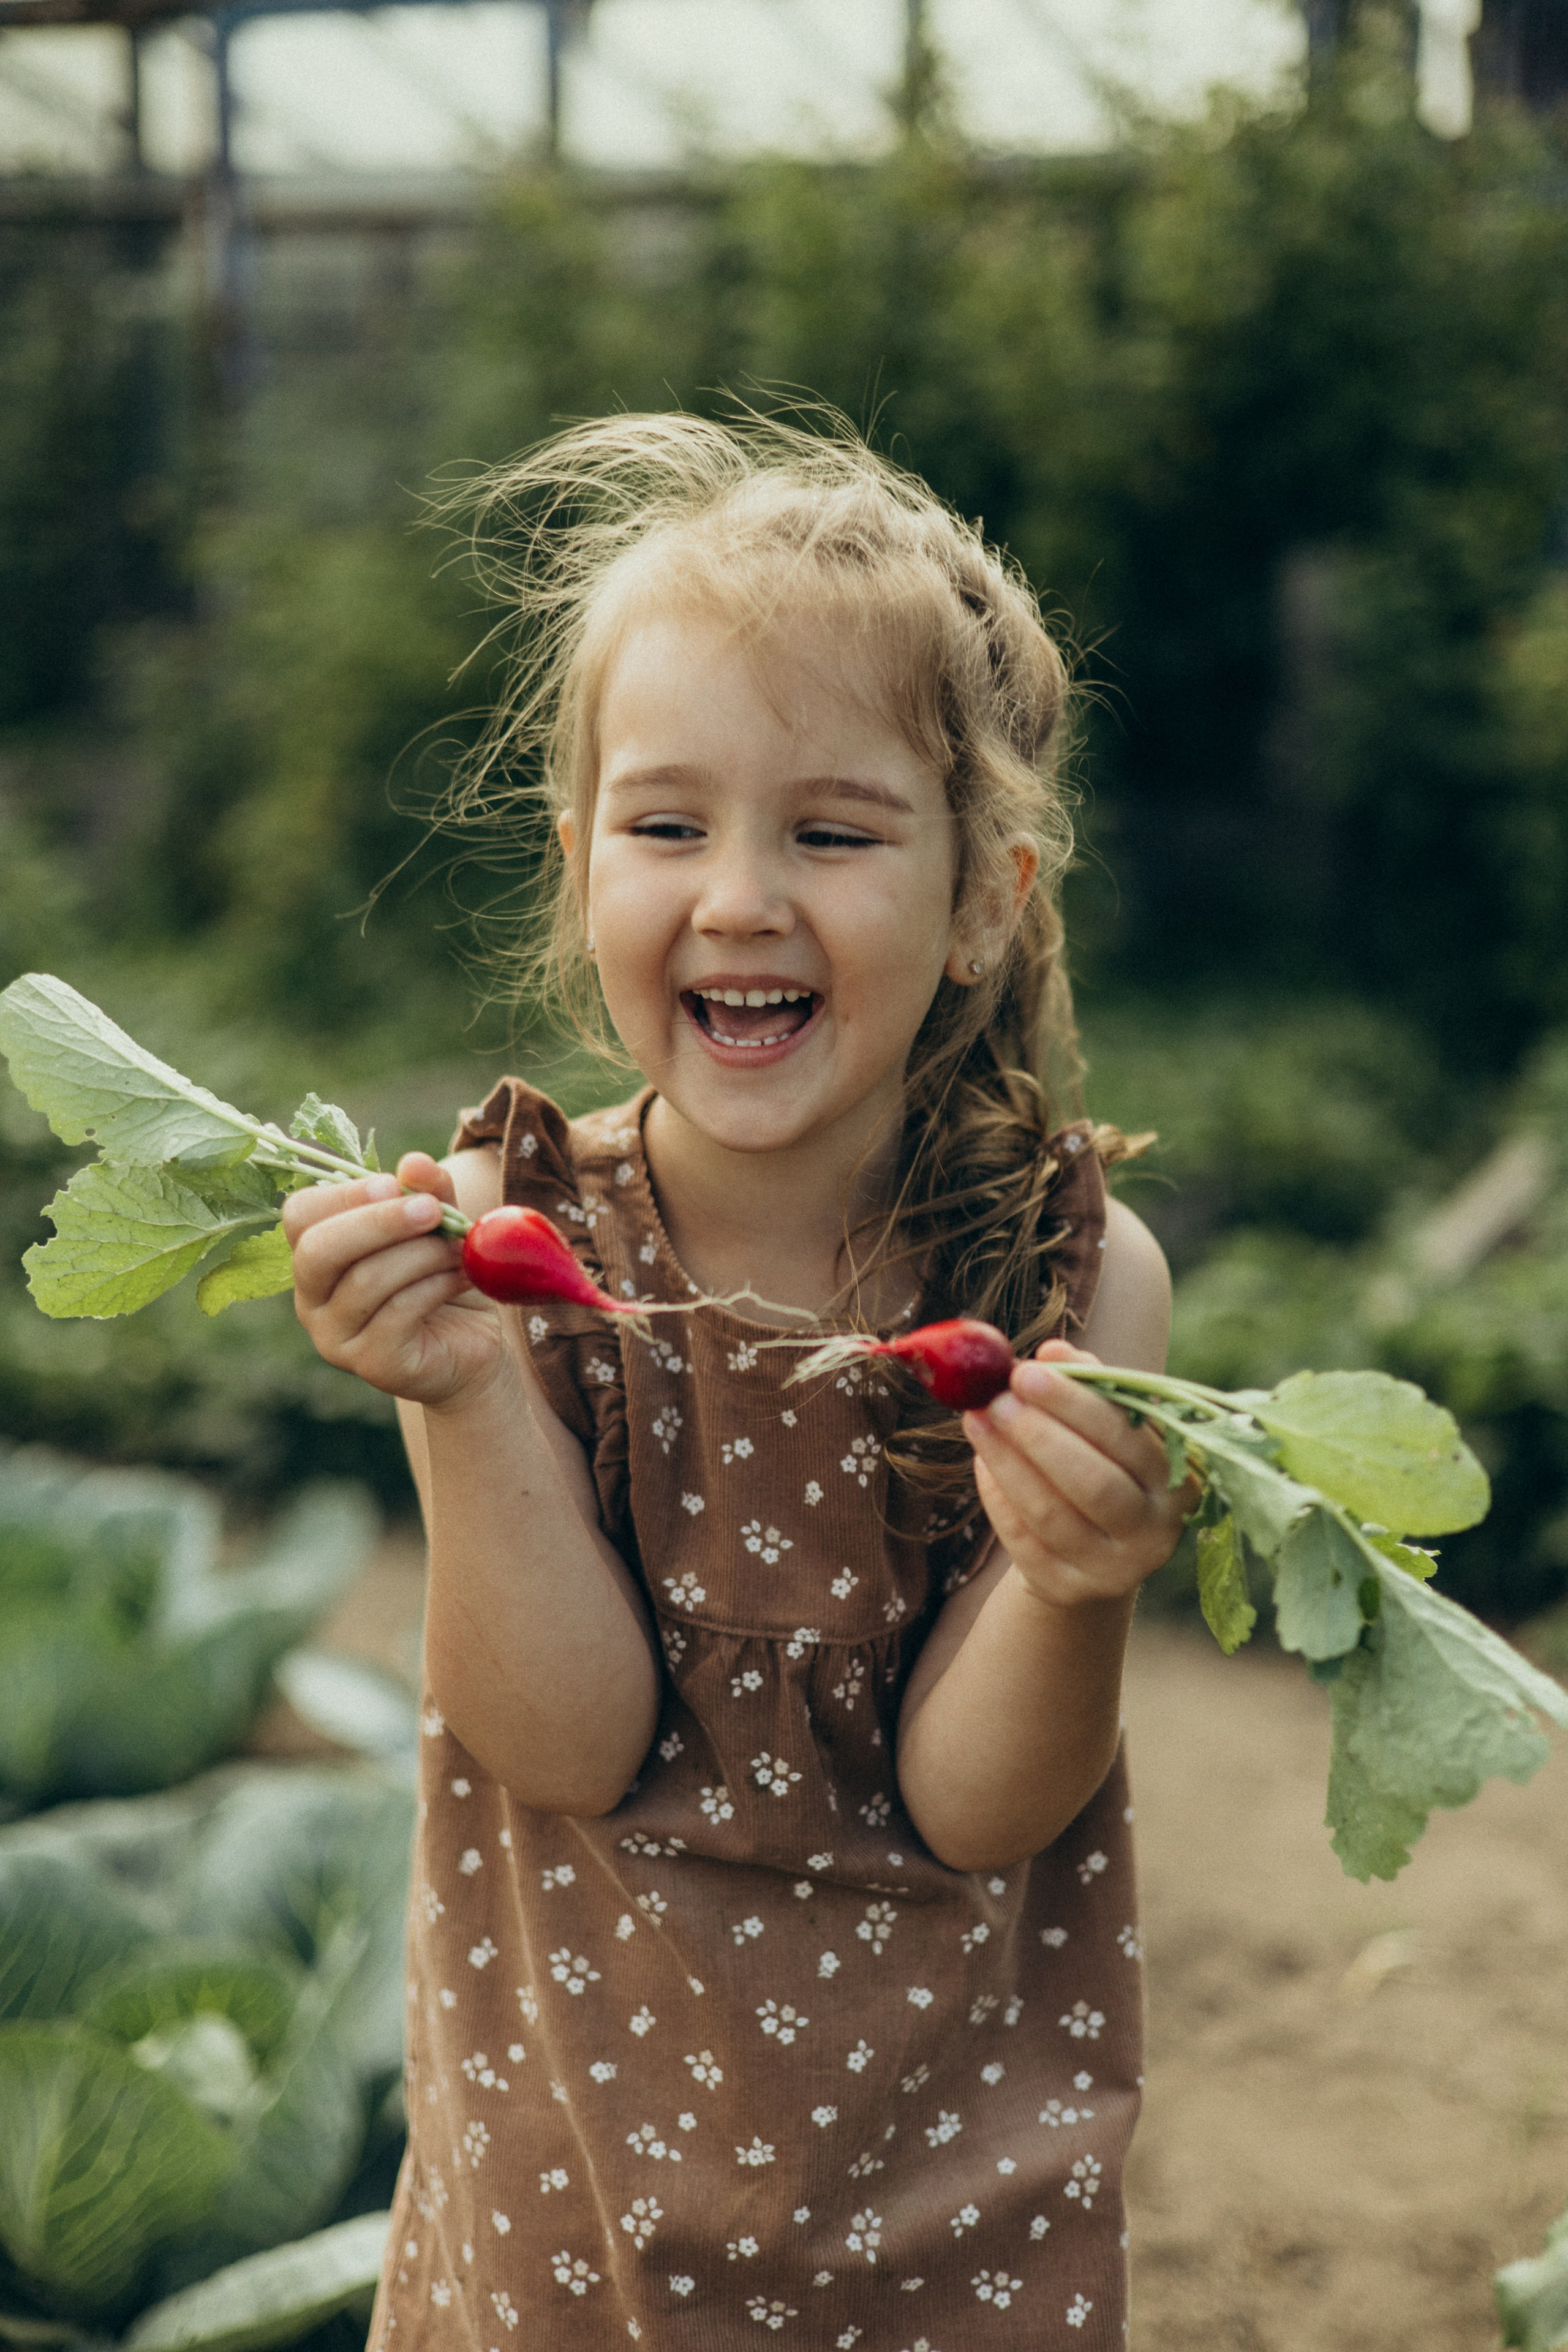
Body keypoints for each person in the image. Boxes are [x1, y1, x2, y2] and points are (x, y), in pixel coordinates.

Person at [282, 410, 1191, 2350]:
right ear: (577, 868)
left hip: (951, 2211)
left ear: (985, 898)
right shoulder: (514, 1245)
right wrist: (460, 1394)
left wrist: (1072, 1580)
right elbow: (566, 1744)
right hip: (576, 2206)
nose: (740, 897)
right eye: (668, 826)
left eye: (832, 833)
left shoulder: (1071, 1280)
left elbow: (976, 1807)